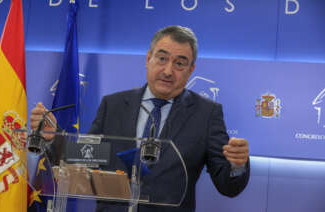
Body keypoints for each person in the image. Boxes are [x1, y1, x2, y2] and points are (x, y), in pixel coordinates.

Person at [30, 25, 250, 212]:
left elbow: (228, 186)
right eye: (162, 58)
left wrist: (237, 165)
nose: (168, 70)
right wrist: (54, 139)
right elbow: (85, 158)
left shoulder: (207, 114)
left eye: (180, 63)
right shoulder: (113, 105)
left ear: (191, 70)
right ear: (148, 58)